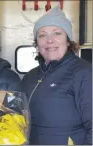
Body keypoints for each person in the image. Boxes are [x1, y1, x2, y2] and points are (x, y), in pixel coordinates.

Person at [20, 5, 92, 145]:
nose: (50, 40)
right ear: (37, 43)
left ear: (68, 39)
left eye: (57, 33)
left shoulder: (84, 73)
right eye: (42, 35)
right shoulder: (29, 77)